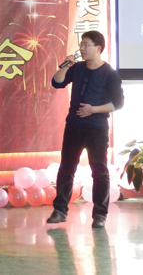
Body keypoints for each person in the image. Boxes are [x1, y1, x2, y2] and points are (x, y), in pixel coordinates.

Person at [47, 31, 124, 229]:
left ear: (98, 48)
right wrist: (66, 66)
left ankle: (99, 215)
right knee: (66, 168)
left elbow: (118, 103)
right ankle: (59, 211)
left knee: (99, 171)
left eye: (86, 45)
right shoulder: (77, 68)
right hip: (74, 126)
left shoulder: (109, 74)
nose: (81, 48)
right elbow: (56, 83)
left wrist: (93, 110)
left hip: (97, 129)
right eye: (81, 44)